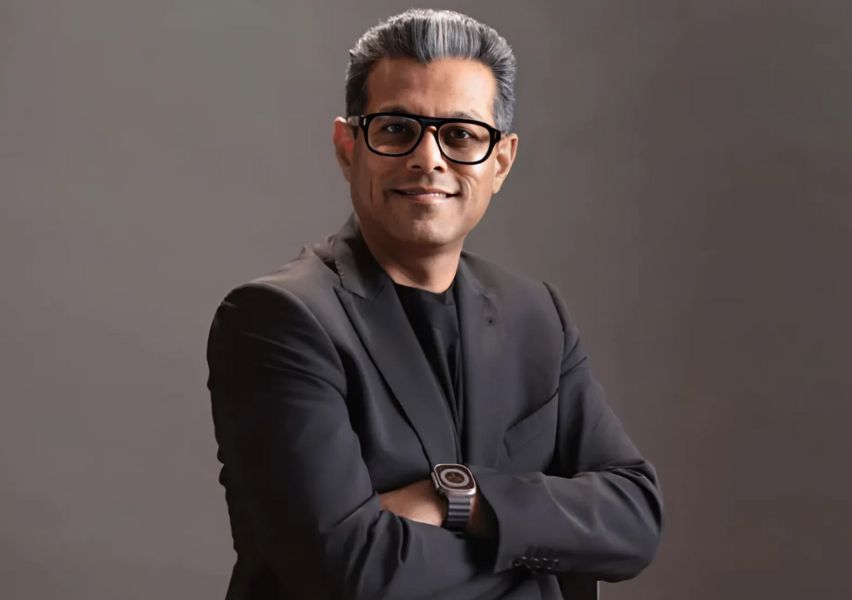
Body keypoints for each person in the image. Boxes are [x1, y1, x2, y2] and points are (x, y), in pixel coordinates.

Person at [206, 9, 663, 600]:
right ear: (348, 148)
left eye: (461, 135)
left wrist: (458, 498)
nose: (428, 159)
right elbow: (355, 573)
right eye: (397, 128)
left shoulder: (536, 315)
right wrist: (543, 556)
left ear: (500, 162)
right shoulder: (278, 320)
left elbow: (635, 519)